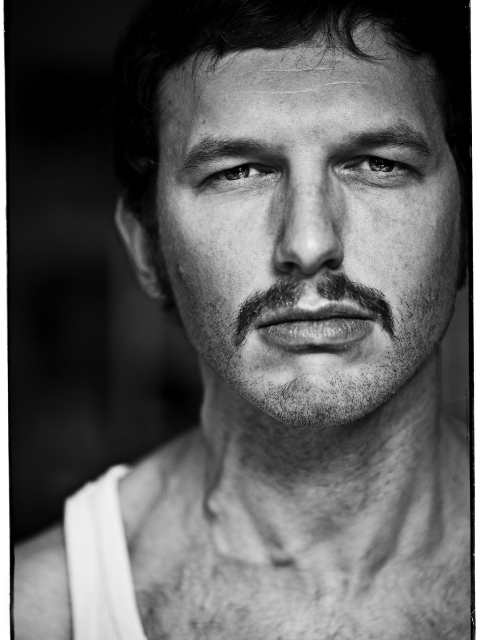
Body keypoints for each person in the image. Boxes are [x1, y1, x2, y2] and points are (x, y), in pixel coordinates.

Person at [13, 0, 471, 638]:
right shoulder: (38, 615)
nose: (309, 243)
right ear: (146, 248)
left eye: (379, 164)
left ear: (466, 224)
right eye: (239, 172)